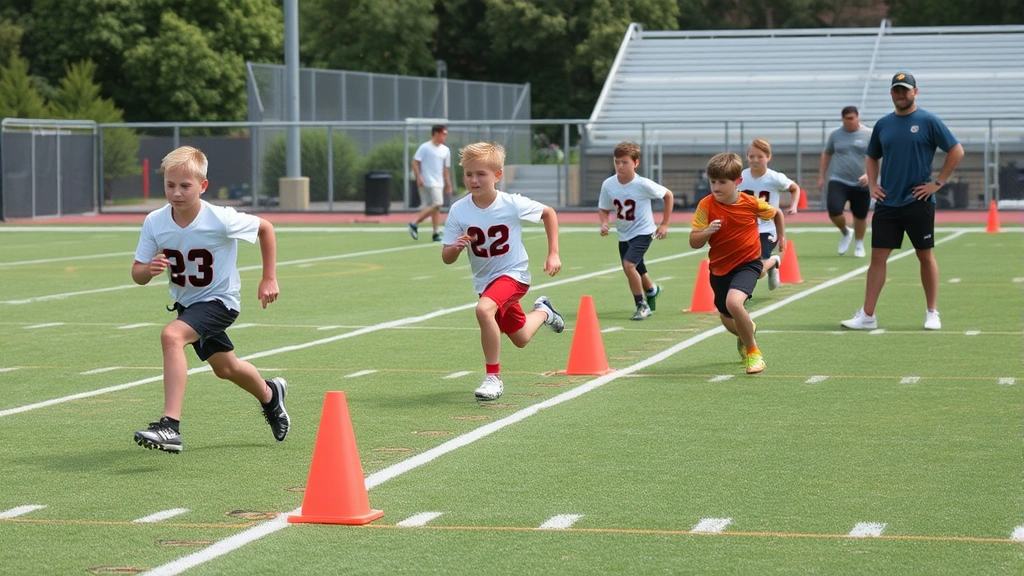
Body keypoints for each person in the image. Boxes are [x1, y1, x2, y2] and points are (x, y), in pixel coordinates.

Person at [130, 146, 289, 453]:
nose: (176, 193)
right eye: (170, 185)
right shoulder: (155, 221)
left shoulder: (220, 219)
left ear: (203, 186)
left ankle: (170, 426)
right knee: (225, 368)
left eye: (185, 186)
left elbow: (266, 229)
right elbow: (137, 273)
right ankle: (271, 395)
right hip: (189, 305)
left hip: (220, 302)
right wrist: (148, 270)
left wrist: (269, 276)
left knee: (172, 335)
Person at [841, 71, 964, 331]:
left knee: (924, 255)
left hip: (918, 201)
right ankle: (868, 316)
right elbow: (872, 157)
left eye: (905, 90)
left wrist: (938, 183)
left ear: (915, 92)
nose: (901, 94)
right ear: (891, 94)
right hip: (887, 203)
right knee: (877, 258)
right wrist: (874, 186)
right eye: (897, 90)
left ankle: (932, 312)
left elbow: (956, 149)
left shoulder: (928, 120)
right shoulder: (884, 124)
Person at [441, 142, 564, 401]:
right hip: (486, 282)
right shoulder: (459, 209)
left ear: (497, 175)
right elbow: (447, 258)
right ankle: (544, 311)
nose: (474, 180)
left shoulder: (511, 203)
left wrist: (553, 253)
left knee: (484, 310)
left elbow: (548, 213)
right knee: (520, 338)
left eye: (481, 174)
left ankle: (492, 378)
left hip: (514, 275)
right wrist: (456, 246)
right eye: (469, 174)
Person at [689, 152, 784, 374]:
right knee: (726, 315)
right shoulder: (706, 205)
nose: (716, 187)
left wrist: (782, 236)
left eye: (722, 182)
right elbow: (693, 242)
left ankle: (754, 354)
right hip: (720, 267)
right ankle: (747, 332)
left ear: (738, 181)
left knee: (734, 303)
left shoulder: (750, 203)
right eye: (713, 182)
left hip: (747, 262)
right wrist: (706, 232)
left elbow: (777, 213)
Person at [598, 142, 674, 320]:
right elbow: (603, 207)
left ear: (636, 163)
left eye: (625, 162)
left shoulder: (643, 184)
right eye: (617, 162)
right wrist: (603, 223)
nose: (620, 166)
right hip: (624, 233)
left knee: (629, 265)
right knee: (638, 268)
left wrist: (665, 224)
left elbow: (668, 195)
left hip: (643, 232)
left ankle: (642, 304)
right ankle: (651, 291)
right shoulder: (609, 184)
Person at [739, 138, 799, 291]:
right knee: (741, 266)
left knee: (757, 271)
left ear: (768, 157)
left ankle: (773, 261)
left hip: (767, 229)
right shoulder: (740, 177)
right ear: (746, 157)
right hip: (745, 229)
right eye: (751, 156)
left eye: (760, 156)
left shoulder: (774, 177)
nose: (755, 160)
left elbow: (794, 188)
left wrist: (793, 205)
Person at [818, 106, 873, 258]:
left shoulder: (869, 134)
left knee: (860, 216)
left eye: (852, 118)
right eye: (846, 119)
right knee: (834, 210)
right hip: (839, 179)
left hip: (861, 182)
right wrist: (821, 176)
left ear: (858, 118)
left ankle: (859, 244)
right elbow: (827, 154)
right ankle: (845, 231)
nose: (849, 122)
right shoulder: (836, 135)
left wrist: (869, 174)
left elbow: (877, 156)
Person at [408, 125, 453, 242]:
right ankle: (414, 222)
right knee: (438, 203)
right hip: (428, 181)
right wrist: (419, 177)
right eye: (443, 134)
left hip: (439, 182)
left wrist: (448, 183)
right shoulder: (425, 147)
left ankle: (435, 233)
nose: (445, 136)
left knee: (435, 208)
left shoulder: (445, 150)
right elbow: (415, 162)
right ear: (436, 134)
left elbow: (445, 168)